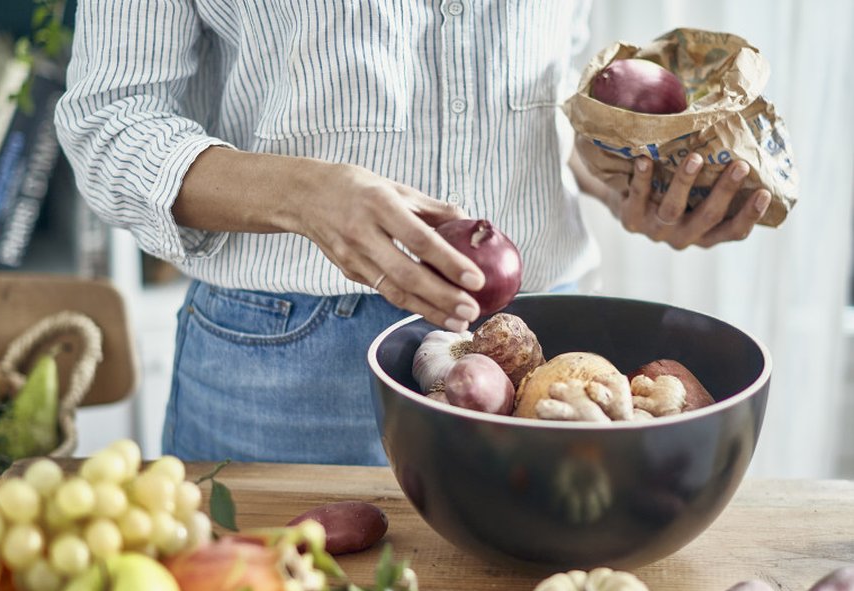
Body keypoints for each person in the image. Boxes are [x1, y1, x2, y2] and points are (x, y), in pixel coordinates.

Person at [54, 1, 771, 466]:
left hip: (544, 357)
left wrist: (631, 181)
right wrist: (307, 195)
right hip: (283, 374)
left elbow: (548, 99)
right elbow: (110, 121)